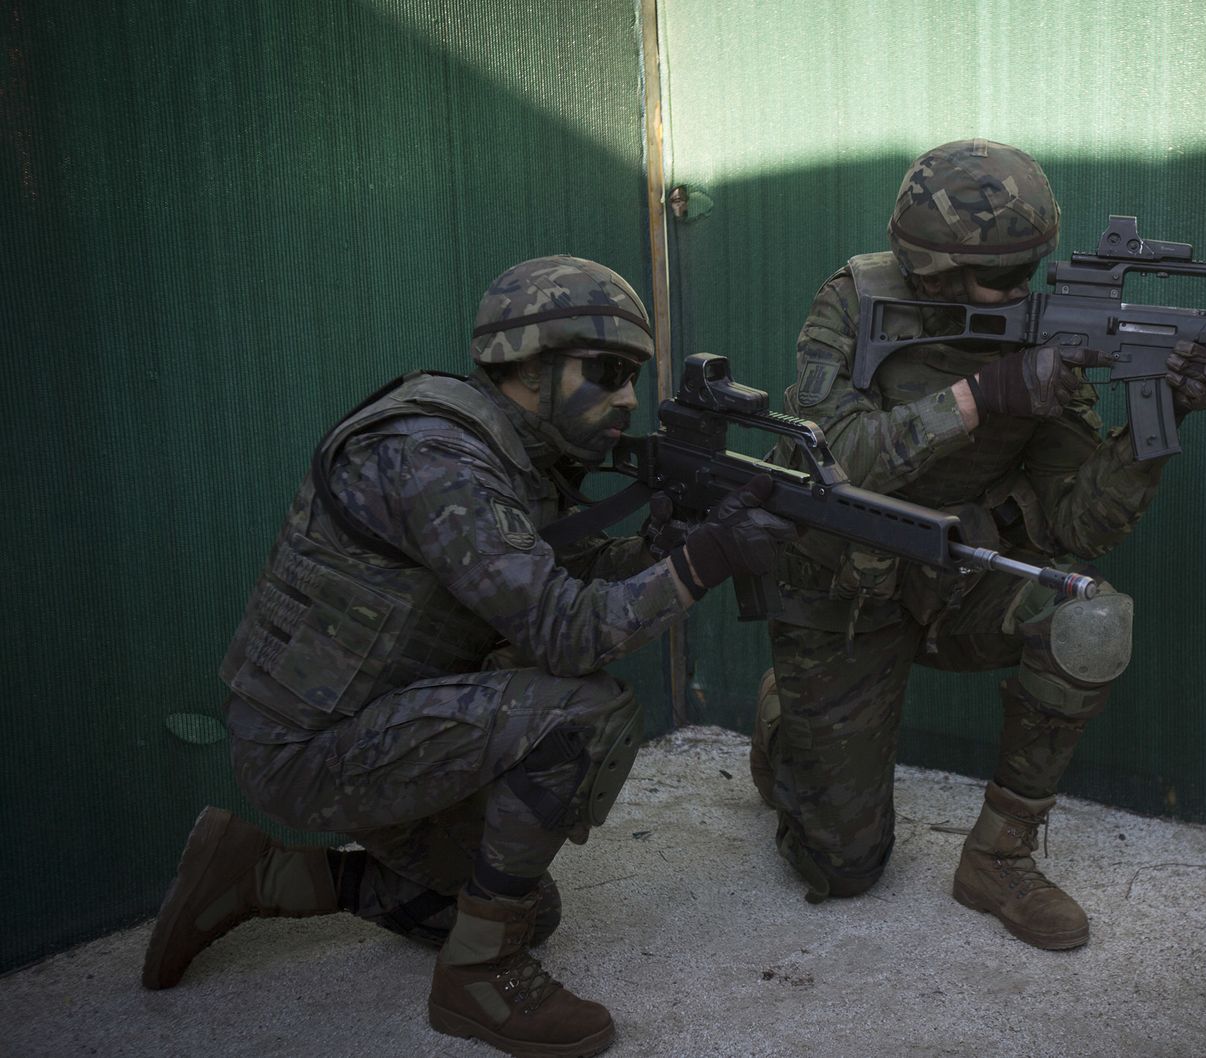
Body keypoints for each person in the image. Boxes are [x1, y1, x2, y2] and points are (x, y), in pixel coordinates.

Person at [142, 255, 794, 1057]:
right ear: (528, 366)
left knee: (524, 903)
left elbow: (543, 577)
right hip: (313, 753)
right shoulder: (437, 457)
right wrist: (706, 562)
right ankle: (478, 983)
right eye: (609, 372)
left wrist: (661, 550)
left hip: (381, 727)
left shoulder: (513, 450)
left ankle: (256, 877)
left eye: (632, 375)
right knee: (582, 714)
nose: (629, 397)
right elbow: (566, 632)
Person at [750, 139, 1206, 949]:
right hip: (841, 591)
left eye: (1032, 270)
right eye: (1005, 279)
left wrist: (1166, 421)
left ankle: (999, 856)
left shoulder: (1048, 340)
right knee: (840, 869)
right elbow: (827, 462)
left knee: (1088, 619)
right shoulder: (854, 300)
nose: (1025, 291)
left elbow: (1076, 524)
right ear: (933, 272)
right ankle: (785, 723)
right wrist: (980, 397)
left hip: (958, 578)